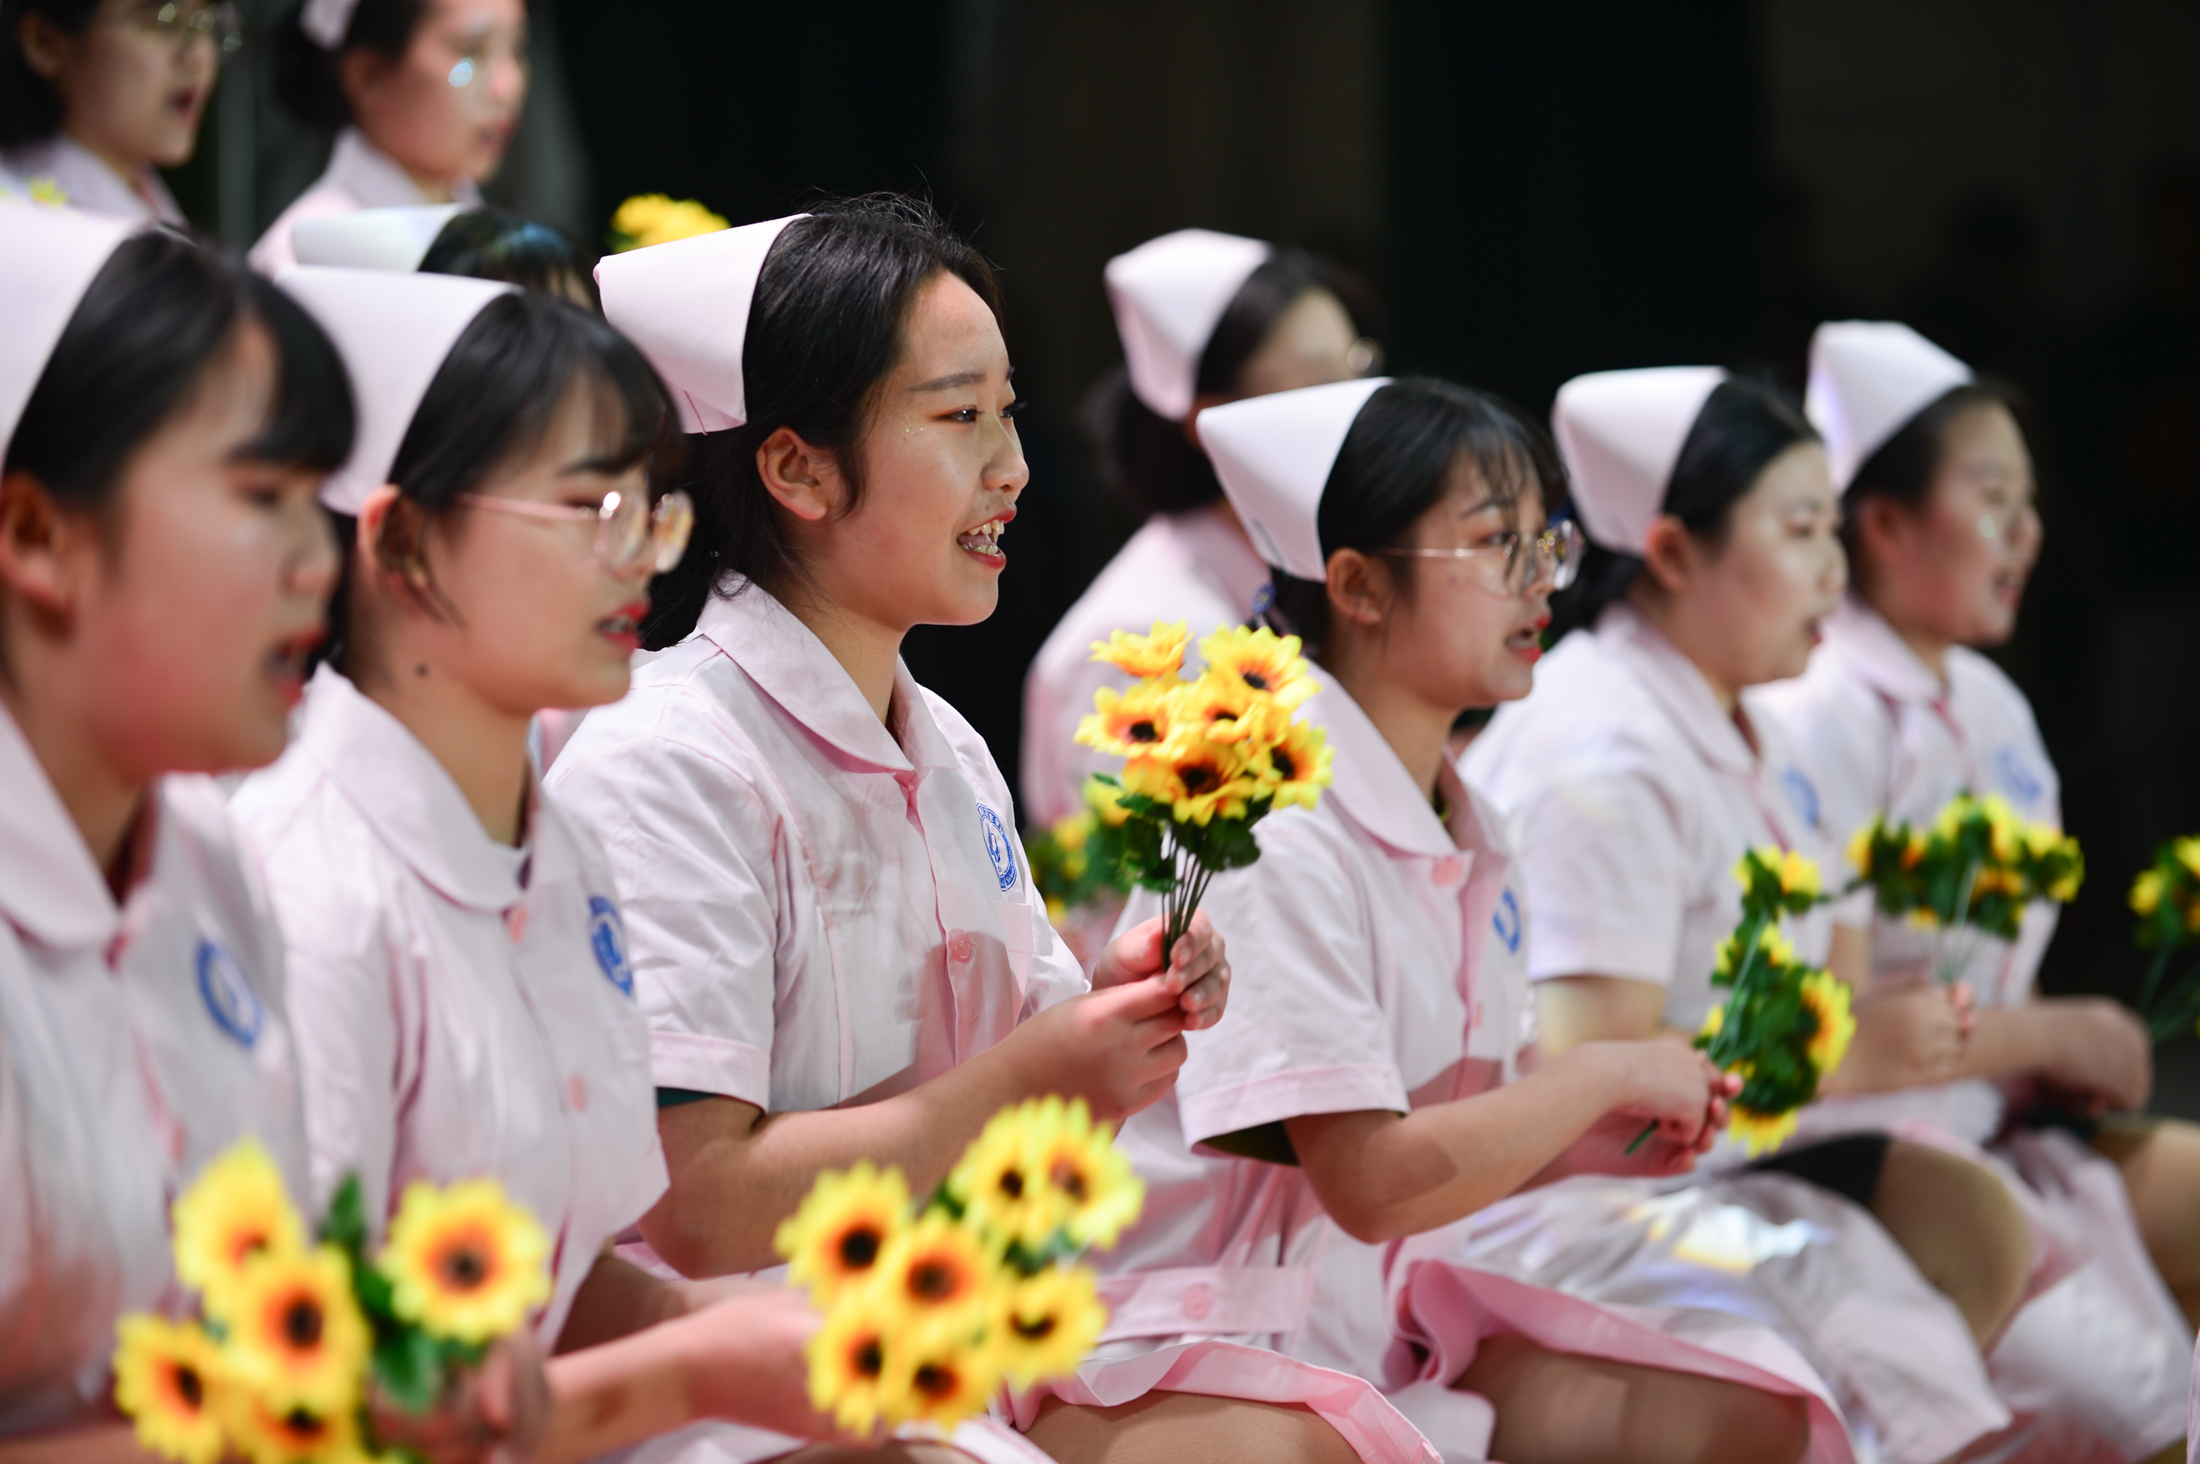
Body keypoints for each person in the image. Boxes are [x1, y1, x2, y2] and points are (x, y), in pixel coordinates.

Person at [235, 264, 1008, 1464]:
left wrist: (725, 1332)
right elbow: (311, 1382)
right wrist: (701, 1355)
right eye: (588, 509)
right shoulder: (304, 886)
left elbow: (559, 1267)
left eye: (650, 508)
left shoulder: (554, 852)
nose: (640, 556)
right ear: (404, 542)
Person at [548, 197, 1239, 1462]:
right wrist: (1040, 1072)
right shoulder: (667, 759)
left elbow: (1028, 1095)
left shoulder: (947, 749)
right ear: (797, 467)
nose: (1013, 467)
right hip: (730, 1392)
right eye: (958, 414)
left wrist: (1115, 1014)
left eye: (1010, 409)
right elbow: (698, 1206)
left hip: (947, 1340)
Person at [0, 205, 524, 1461]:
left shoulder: (201, 856)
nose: (315, 563)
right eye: (262, 497)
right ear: (36, 535)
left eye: (317, 504)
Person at [1461, 366, 2042, 1463]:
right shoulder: (1609, 746)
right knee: (1864, 1356)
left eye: (1830, 526)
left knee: (1944, 1285)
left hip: (1712, 1175)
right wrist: (1829, 1054)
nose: (1834, 567)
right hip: (1573, 1208)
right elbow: (1589, 1076)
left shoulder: (1746, 724)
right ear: (1675, 553)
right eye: (1799, 528)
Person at [1756, 320, 2194, 1460]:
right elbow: (1819, 1032)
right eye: (1992, 497)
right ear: (1885, 523)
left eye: (2030, 501)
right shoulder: (1818, 709)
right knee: (2120, 1412)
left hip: (1997, 1127)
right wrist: (2051, 1028)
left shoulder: (1993, 705)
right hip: (1859, 1159)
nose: (2026, 532)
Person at [1020, 227, 1376, 833]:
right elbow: (1131, 901)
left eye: (1360, 366)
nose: (1361, 406)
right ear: (1212, 419)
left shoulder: (1299, 577)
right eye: (1320, 383)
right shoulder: (1141, 637)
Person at [249, 0, 523, 273]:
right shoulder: (299, 263)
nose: (508, 87)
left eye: (517, 47)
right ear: (368, 77)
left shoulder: (487, 231)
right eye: (470, 51)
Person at [0, 0, 232, 221]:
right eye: (163, 20)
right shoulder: (19, 217)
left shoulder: (145, 194)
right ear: (44, 42)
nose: (197, 55)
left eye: (204, 22)